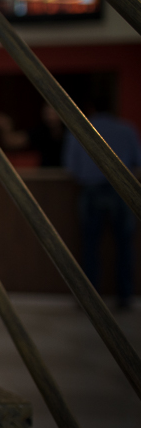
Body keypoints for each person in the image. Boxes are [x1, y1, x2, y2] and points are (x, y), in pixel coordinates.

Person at [63, 98, 141, 311]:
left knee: (90, 247)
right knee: (125, 247)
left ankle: (90, 299)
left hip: (91, 192)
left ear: (91, 108)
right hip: (121, 191)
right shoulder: (127, 130)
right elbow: (137, 161)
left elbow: (72, 168)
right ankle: (125, 297)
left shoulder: (79, 130)